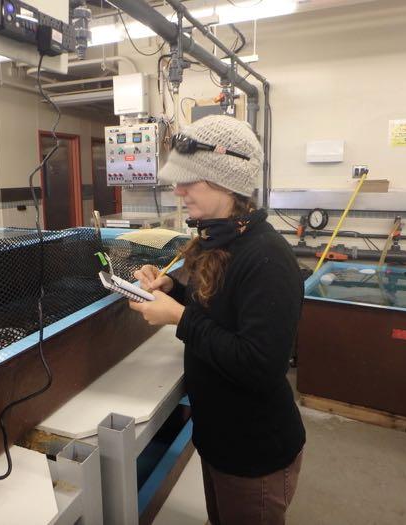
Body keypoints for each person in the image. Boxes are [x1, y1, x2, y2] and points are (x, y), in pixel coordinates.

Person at [129, 115, 306, 525]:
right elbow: (219, 306)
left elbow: (261, 365)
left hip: (255, 454)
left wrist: (179, 318)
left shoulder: (267, 258)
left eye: (189, 180)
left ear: (226, 182)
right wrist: (172, 287)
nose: (178, 190)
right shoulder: (224, 239)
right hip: (221, 441)